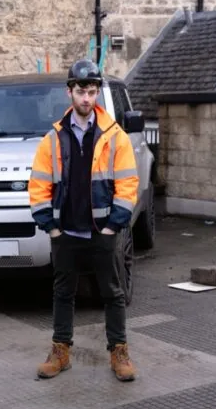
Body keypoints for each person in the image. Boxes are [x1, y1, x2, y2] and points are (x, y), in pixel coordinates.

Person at [28, 59, 139, 382]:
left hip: (102, 231)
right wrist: (51, 226)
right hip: (66, 232)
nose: (87, 99)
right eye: (81, 92)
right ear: (70, 93)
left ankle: (119, 351)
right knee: (63, 293)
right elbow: (38, 185)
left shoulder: (115, 136)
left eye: (92, 92)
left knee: (113, 293)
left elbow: (127, 183)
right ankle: (60, 352)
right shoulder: (53, 138)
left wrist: (112, 226)